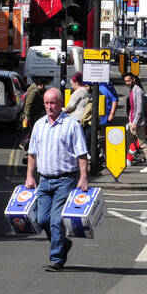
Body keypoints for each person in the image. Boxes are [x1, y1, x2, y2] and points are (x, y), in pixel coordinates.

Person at [25, 87, 91, 271]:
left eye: (53, 102)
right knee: (42, 219)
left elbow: (82, 154)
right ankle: (62, 243)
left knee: (55, 220)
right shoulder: (39, 125)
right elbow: (32, 153)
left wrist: (83, 178)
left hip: (65, 180)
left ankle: (56, 259)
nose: (49, 106)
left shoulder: (71, 125)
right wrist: (30, 175)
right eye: (46, 103)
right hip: (44, 180)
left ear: (61, 103)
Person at [123, 73, 147, 168]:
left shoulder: (138, 91)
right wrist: (130, 120)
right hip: (132, 121)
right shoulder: (133, 90)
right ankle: (127, 159)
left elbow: (139, 109)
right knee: (129, 141)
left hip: (138, 122)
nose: (127, 83)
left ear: (133, 79)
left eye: (129, 80)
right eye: (126, 81)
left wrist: (135, 122)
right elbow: (132, 109)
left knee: (142, 143)